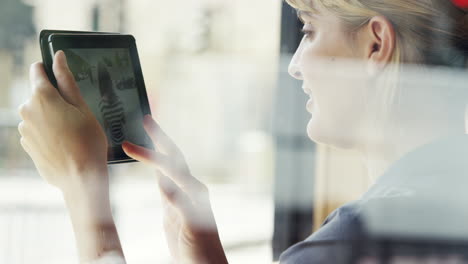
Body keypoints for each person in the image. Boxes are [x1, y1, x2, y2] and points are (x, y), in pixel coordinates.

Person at [17, 0, 468, 263]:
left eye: (308, 30)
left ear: (375, 44)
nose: (294, 65)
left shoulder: (355, 244)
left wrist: (83, 188)